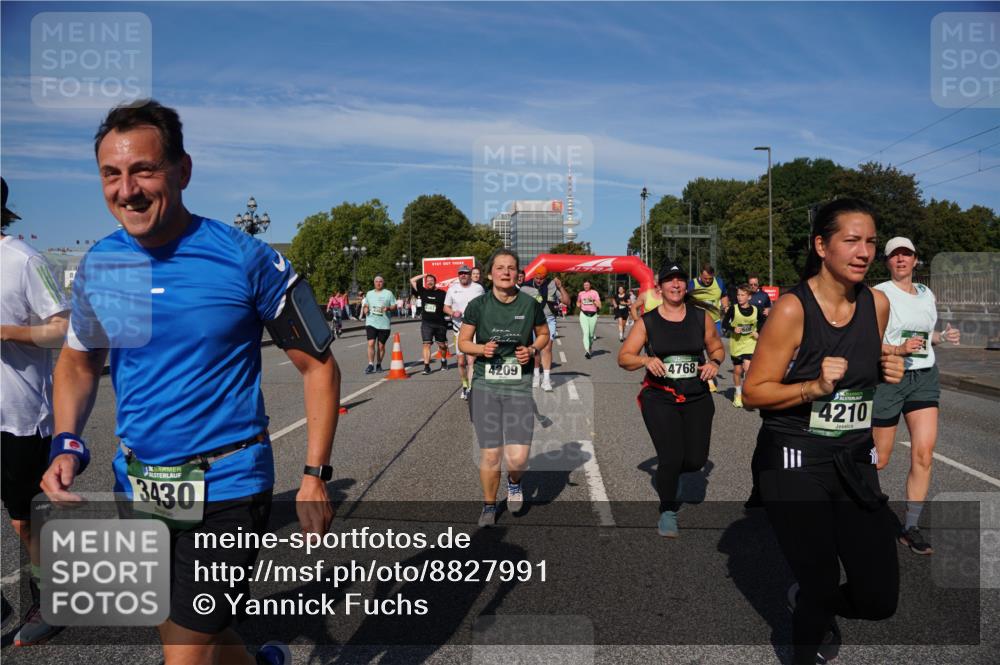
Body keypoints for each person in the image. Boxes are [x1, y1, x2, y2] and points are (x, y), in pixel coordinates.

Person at [40, 100, 338, 665]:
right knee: (188, 631)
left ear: (183, 170)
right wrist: (67, 441)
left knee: (185, 653)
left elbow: (319, 365)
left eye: (144, 170)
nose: (127, 190)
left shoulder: (244, 258)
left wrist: (314, 476)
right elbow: (79, 363)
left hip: (228, 485)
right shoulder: (103, 265)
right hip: (139, 483)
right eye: (111, 174)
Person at [742, 198, 905, 665]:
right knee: (819, 580)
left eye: (870, 241)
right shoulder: (793, 309)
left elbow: (863, 365)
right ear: (821, 245)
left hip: (853, 458)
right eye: (851, 240)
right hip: (794, 455)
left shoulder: (877, 304)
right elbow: (753, 392)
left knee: (879, 598)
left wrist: (885, 367)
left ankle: (810, 601)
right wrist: (811, 387)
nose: (864, 251)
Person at [1, 177, 70, 646]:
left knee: (26, 520)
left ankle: (50, 600)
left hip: (20, 416)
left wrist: (6, 331)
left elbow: (60, 328)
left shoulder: (24, 260)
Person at [618, 260, 723, 538]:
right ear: (659, 287)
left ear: (685, 285)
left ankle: (672, 474)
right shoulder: (648, 321)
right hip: (660, 398)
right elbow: (624, 357)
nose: (675, 284)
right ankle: (667, 509)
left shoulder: (700, 317)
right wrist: (645, 360)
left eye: (680, 280)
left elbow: (716, 347)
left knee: (696, 461)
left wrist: (714, 362)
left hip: (697, 396)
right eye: (669, 280)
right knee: (671, 457)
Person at [872, 236, 960, 555]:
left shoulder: (926, 293)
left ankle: (910, 527)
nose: (901, 259)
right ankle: (852, 507)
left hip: (924, 378)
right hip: (889, 377)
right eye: (894, 255)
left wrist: (941, 337)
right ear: (887, 261)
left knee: (923, 454)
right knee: (879, 459)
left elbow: (922, 337)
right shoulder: (879, 293)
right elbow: (866, 340)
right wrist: (898, 349)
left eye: (906, 254)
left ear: (914, 259)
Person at [458, 249, 548, 527]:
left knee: (518, 458)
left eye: (511, 268)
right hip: (485, 385)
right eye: (500, 267)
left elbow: (544, 334)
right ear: (490, 274)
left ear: (518, 274)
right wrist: (481, 349)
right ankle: (488, 505)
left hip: (518, 386)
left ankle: (514, 482)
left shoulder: (529, 303)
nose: (506, 272)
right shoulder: (478, 305)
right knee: (491, 452)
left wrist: (532, 349)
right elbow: (463, 342)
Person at [518, 267, 569, 391]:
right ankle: (536, 376)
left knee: (547, 348)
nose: (539, 281)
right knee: (535, 349)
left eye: (542, 279)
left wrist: (560, 287)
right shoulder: (525, 287)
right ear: (534, 276)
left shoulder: (552, 285)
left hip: (548, 320)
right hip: (533, 321)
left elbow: (567, 302)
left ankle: (546, 380)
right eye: (537, 278)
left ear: (546, 278)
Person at [444, 264, 485, 400]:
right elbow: (445, 307)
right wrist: (452, 312)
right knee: (461, 362)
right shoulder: (452, 289)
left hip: (474, 329)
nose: (463, 275)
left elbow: (485, 305)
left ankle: (471, 389)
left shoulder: (478, 288)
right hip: (459, 330)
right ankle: (465, 384)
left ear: (469, 275)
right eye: (461, 273)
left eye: (466, 273)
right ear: (458, 275)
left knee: (471, 360)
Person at [722, 284, 764, 409]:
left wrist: (758, 332)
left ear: (749, 297)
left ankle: (748, 393)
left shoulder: (756, 310)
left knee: (748, 367)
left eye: (742, 295)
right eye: (738, 295)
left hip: (750, 342)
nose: (739, 297)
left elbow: (763, 322)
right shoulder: (733, 309)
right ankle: (738, 394)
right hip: (737, 343)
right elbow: (724, 324)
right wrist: (733, 328)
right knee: (737, 370)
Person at [689, 264, 728, 393]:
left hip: (715, 321)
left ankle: (710, 368)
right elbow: (686, 299)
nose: (707, 281)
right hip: (697, 322)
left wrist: (725, 306)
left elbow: (724, 295)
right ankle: (708, 378)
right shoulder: (693, 284)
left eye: (710, 279)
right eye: (705, 278)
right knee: (700, 348)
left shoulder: (719, 282)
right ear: (700, 275)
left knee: (714, 349)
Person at [411, 272, 449, 375]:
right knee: (426, 344)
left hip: (440, 323)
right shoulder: (423, 291)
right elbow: (412, 280)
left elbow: (447, 306)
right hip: (427, 323)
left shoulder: (442, 293)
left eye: (431, 281)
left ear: (435, 282)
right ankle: (427, 367)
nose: (429, 282)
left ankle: (444, 360)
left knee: (442, 345)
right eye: (427, 281)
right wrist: (425, 275)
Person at [362, 275, 396, 373]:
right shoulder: (369, 293)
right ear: (374, 283)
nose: (378, 283)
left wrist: (388, 308)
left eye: (380, 281)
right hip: (371, 322)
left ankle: (379, 364)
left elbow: (394, 306)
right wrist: (365, 309)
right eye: (376, 281)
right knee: (371, 343)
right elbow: (366, 304)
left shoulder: (388, 293)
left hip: (384, 324)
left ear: (383, 283)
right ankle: (370, 364)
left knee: (381, 346)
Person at [576, 280, 601, 359]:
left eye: (587, 285)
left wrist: (594, 301)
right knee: (586, 333)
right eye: (585, 285)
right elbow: (578, 302)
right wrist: (578, 304)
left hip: (593, 315)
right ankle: (587, 351)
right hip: (583, 315)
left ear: (590, 285)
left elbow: (600, 305)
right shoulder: (581, 293)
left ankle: (590, 347)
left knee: (591, 335)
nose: (586, 286)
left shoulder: (594, 293)